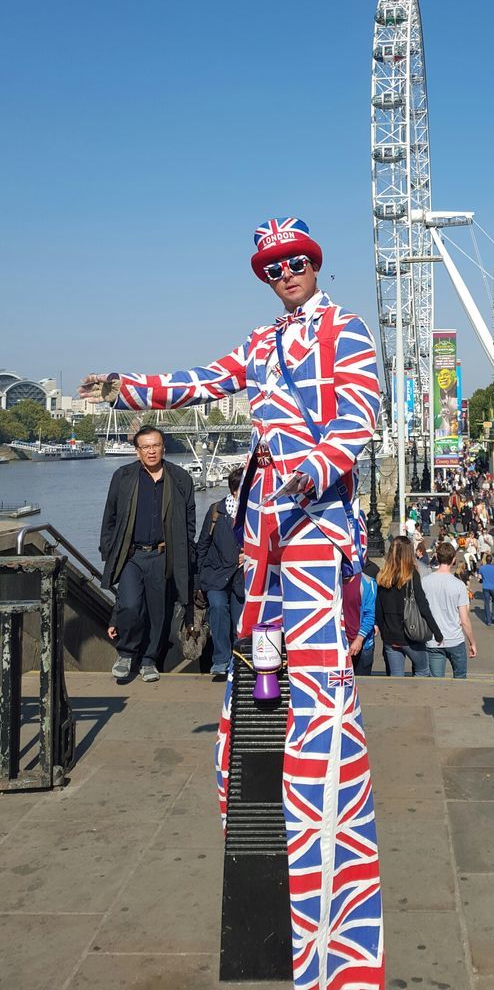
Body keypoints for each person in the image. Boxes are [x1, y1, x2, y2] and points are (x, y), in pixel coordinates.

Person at [79, 216, 384, 990]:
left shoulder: (344, 329)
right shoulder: (259, 343)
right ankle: (263, 732)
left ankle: (322, 820)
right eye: (273, 267)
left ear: (314, 265)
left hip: (314, 525)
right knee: (259, 660)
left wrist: (315, 466)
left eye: (295, 263)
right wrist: (128, 387)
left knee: (317, 678)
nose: (285, 274)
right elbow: (197, 381)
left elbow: (361, 413)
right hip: (265, 528)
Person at [100, 426, 196, 683]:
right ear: (138, 450)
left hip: (163, 555)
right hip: (131, 555)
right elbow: (109, 517)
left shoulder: (180, 478)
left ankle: (149, 660)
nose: (151, 451)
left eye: (156, 446)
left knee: (158, 611)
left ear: (164, 447)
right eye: (146, 447)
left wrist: (185, 556)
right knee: (129, 605)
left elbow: (189, 524)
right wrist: (108, 550)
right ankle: (126, 652)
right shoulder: (124, 476)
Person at [195, 467, 245, 678]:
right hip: (215, 574)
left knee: (239, 620)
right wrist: (196, 581)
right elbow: (203, 545)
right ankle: (221, 659)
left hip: (241, 577)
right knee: (217, 608)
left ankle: (239, 660)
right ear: (235, 489)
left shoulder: (256, 513)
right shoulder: (217, 511)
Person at [375, 536, 443, 677]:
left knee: (396, 675)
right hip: (409, 635)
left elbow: (379, 609)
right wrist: (436, 632)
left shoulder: (382, 576)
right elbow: (423, 605)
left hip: (390, 636)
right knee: (422, 670)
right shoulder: (412, 575)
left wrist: (383, 631)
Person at [423, 542, 477, 678]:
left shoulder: (425, 581)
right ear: (453, 560)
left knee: (436, 682)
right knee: (460, 678)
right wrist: (472, 642)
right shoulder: (459, 585)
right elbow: (464, 620)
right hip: (455, 639)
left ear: (437, 557)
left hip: (433, 640)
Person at [478, 553, 494, 625]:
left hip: (485, 587)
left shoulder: (482, 568)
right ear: (491, 561)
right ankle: (493, 616)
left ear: (486, 560)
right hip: (493, 587)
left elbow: (479, 578)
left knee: (486, 603)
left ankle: (488, 621)